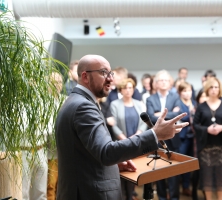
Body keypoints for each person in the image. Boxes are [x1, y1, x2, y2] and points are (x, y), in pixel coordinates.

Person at [55, 55, 189, 200]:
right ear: (85, 77)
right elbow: (106, 152)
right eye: (103, 73)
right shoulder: (84, 106)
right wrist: (154, 134)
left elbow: (84, 153)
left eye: (110, 73)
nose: (110, 79)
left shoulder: (74, 100)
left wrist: (115, 164)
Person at [193, 77, 222, 200]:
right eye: (211, 87)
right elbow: (195, 125)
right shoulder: (201, 107)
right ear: (207, 89)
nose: (214, 90)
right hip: (206, 148)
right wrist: (207, 130)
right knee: (207, 177)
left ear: (220, 89)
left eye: (216, 87)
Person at [146, 70, 182, 200]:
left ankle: (174, 197)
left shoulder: (175, 97)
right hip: (157, 140)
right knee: (159, 170)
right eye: (160, 80)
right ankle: (161, 197)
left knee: (174, 171)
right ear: (155, 83)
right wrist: (170, 114)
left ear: (170, 83)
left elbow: (178, 114)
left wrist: (159, 115)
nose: (163, 82)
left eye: (166, 80)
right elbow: (150, 117)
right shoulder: (150, 99)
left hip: (173, 139)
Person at [110, 78, 147, 200]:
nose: (128, 90)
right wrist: (124, 139)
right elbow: (113, 124)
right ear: (121, 90)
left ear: (133, 89)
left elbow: (144, 122)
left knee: (134, 171)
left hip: (136, 142)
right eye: (125, 88)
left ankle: (131, 195)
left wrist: (136, 136)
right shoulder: (115, 104)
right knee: (122, 172)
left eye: (130, 88)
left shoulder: (138, 103)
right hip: (121, 142)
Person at [47, 72, 66, 200]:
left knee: (63, 184)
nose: (57, 85)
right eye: (54, 82)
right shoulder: (44, 102)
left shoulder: (66, 100)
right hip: (50, 150)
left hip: (65, 150)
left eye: (59, 82)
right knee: (50, 184)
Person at [177, 81, 196, 196]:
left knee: (189, 163)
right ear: (180, 92)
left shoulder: (194, 103)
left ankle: (186, 186)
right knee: (179, 162)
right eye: (184, 91)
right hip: (182, 137)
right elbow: (181, 117)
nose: (187, 93)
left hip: (193, 137)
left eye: (189, 90)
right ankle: (175, 187)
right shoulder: (178, 103)